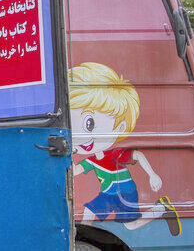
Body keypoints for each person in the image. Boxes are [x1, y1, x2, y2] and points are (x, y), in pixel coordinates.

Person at [70, 62, 181, 236]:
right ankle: (83, 238)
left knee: (130, 226)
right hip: (108, 194)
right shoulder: (91, 160)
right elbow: (76, 170)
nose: (80, 137)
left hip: (125, 192)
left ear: (120, 127)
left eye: (89, 124)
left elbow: (137, 154)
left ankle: (161, 209)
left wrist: (152, 174)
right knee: (89, 212)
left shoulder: (114, 154)